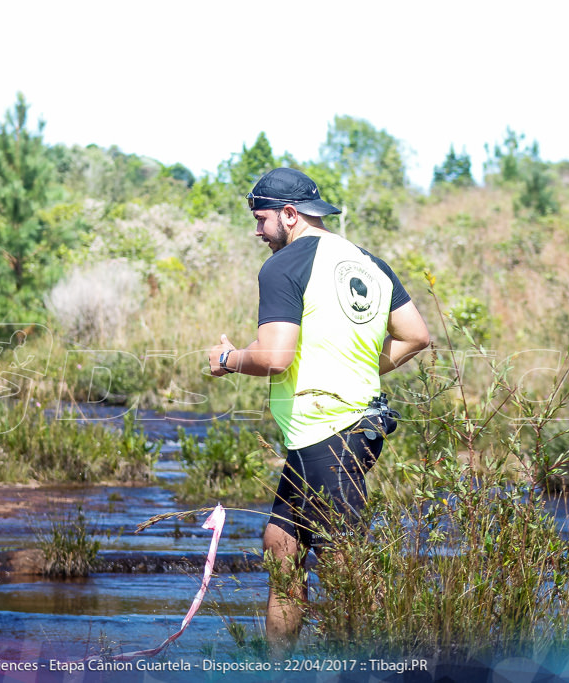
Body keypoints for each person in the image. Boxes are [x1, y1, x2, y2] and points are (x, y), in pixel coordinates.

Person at [208, 167, 430, 654]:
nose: (257, 230)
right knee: (281, 543)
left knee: (345, 565)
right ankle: (277, 663)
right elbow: (416, 335)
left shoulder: (283, 266)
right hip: (354, 425)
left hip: (326, 432)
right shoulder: (366, 261)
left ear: (289, 216)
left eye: (261, 219)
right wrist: (360, 373)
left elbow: (274, 358)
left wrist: (227, 360)